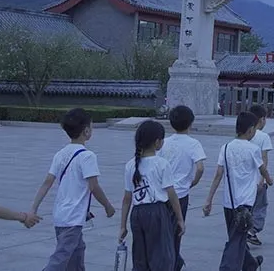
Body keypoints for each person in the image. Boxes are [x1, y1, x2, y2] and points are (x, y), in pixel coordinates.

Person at [31, 108, 115, 271]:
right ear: (86, 131)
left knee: (76, 253)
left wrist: (34, 208)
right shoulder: (87, 156)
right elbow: (94, 186)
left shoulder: (61, 154)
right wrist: (107, 206)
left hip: (61, 215)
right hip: (73, 216)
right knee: (61, 258)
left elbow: (47, 183)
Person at [203, 112, 269, 271]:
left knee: (236, 235)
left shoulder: (225, 148)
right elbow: (262, 169)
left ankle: (250, 264)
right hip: (246, 202)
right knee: (236, 238)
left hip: (229, 201)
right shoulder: (253, 149)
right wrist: (269, 179)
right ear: (251, 129)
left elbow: (218, 174)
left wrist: (209, 199)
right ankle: (227, 267)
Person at [119, 120, 186, 271]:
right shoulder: (161, 164)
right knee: (161, 255)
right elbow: (172, 195)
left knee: (140, 257)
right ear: (157, 142)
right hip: (157, 212)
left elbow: (126, 199)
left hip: (137, 213)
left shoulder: (130, 165)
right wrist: (180, 218)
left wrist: (122, 226)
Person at [158, 105, 206, 271]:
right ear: (190, 123)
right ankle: (173, 263)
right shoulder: (193, 144)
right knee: (176, 232)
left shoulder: (164, 142)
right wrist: (194, 182)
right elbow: (200, 168)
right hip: (180, 195)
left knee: (163, 233)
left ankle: (169, 262)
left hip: (163, 193)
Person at [247, 105, 274, 246]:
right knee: (260, 206)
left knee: (247, 206)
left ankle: (243, 230)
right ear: (262, 119)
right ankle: (252, 231)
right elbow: (264, 159)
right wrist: (263, 179)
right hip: (257, 178)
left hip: (244, 179)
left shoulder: (245, 133)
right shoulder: (264, 137)